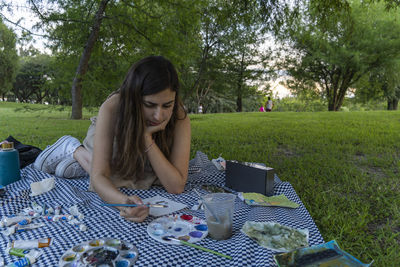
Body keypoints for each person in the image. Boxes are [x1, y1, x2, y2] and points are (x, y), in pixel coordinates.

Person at [33, 56, 191, 222]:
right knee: (112, 176)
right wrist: (124, 204)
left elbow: (176, 186)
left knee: (138, 176)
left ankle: (82, 160)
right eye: (149, 105)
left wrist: (146, 137)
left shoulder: (179, 116)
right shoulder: (113, 107)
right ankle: (73, 149)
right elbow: (100, 177)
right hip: (113, 137)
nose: (159, 116)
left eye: (167, 105)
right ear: (135, 98)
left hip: (143, 153)